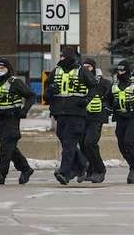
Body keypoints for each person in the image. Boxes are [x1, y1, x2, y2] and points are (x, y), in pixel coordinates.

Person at [47, 48, 97, 185]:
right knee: (64, 139)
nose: (62, 59)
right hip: (61, 113)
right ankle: (81, 163)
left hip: (77, 113)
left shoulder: (81, 71)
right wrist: (51, 91)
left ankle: (65, 172)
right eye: (61, 56)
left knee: (69, 143)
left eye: (64, 56)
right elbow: (48, 90)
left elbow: (93, 86)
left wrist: (86, 100)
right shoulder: (56, 71)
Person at [0, 59, 36, 185]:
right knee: (10, 148)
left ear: (8, 68)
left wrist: (24, 110)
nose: (0, 69)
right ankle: (26, 169)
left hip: (12, 119)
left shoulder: (15, 82)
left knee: (6, 147)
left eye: (3, 67)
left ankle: (1, 174)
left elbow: (31, 96)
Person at [80, 59, 112, 183]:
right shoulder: (80, 81)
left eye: (88, 67)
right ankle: (91, 169)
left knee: (90, 143)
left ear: (93, 68)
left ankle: (100, 169)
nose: (86, 69)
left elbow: (111, 97)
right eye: (84, 67)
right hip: (83, 117)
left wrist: (106, 106)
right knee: (82, 144)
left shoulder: (103, 83)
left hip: (97, 117)